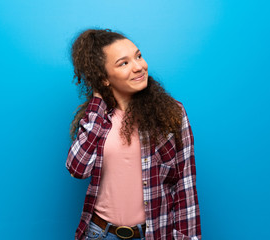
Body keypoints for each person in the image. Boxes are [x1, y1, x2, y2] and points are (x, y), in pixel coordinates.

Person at [66, 29, 201, 240]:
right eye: (124, 63)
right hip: (100, 233)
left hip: (153, 233)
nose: (139, 67)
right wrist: (97, 103)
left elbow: (185, 184)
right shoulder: (97, 118)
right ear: (104, 78)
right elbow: (78, 169)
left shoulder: (171, 113)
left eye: (138, 56)